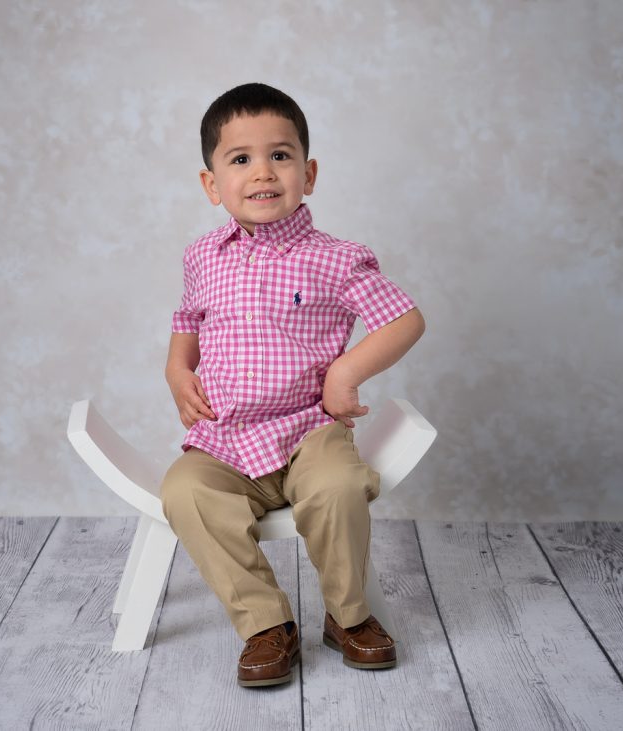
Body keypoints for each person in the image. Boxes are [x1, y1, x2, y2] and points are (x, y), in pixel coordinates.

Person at [161, 82, 425, 688]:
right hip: (226, 440)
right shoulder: (202, 257)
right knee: (184, 492)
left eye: (280, 155)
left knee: (338, 486)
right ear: (211, 184)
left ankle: (348, 616)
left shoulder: (337, 258)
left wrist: (345, 371)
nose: (262, 172)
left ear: (308, 174)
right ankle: (265, 624)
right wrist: (177, 371)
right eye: (240, 158)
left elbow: (405, 319)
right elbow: (187, 320)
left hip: (309, 432)